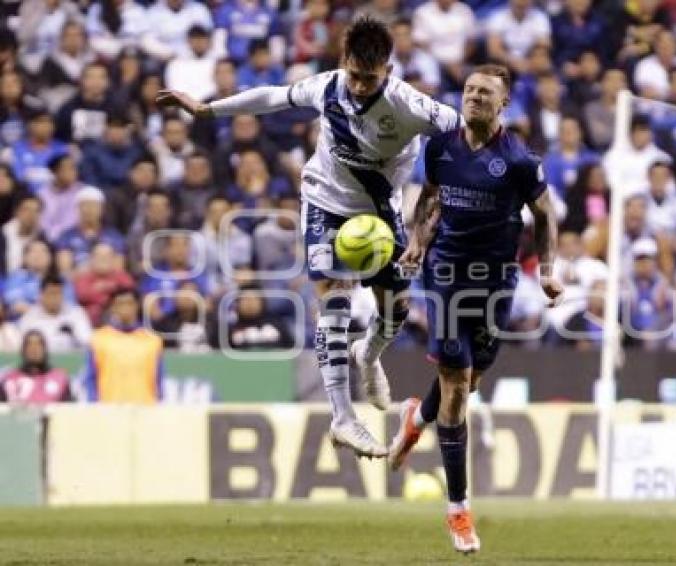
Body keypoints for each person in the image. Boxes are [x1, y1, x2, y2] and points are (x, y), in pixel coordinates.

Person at [156, 16, 461, 458]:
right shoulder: (328, 86)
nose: (358, 86)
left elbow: (464, 135)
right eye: (354, 74)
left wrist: (427, 220)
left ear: (389, 72)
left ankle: (368, 355)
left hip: (379, 214)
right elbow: (273, 98)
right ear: (344, 62)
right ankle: (343, 417)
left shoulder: (413, 106)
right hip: (324, 202)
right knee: (333, 296)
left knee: (395, 311)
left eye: (369, 79)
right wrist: (207, 109)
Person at [388, 65, 562, 553]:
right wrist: (418, 243)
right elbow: (430, 199)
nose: (473, 98)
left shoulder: (520, 160)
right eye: (468, 90)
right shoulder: (441, 146)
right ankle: (459, 510)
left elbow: (545, 213)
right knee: (458, 389)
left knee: (469, 380)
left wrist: (547, 269)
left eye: (485, 93)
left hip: (496, 282)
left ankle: (415, 420)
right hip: (444, 275)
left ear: (503, 103)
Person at [84, 287, 164, 403]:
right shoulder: (99, 339)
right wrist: (94, 405)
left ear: (137, 306)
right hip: (109, 409)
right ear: (113, 308)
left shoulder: (152, 341)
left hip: (144, 409)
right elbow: (92, 377)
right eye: (120, 304)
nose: (125, 308)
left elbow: (159, 380)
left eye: (129, 303)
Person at [18, 274, 92, 353]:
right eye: (50, 294)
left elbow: (87, 342)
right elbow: (21, 347)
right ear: (41, 295)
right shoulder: (29, 318)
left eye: (57, 294)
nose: (54, 298)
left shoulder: (76, 314)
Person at [0, 330, 72, 404]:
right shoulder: (9, 378)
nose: (34, 349)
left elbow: (69, 410)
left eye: (39, 344)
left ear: (45, 349)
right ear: (23, 350)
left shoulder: (60, 379)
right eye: (30, 345)